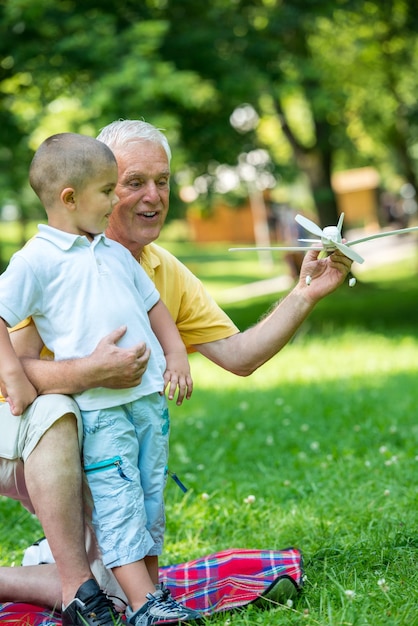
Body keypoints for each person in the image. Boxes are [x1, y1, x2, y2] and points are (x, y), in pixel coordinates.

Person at [0, 120, 352, 619]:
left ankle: (72, 570)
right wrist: (90, 372)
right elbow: (11, 371)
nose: (154, 196)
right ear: (81, 193)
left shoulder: (152, 266)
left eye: (162, 181)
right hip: (22, 436)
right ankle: (74, 575)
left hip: (96, 438)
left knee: (123, 591)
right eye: (131, 182)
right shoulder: (51, 265)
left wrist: (305, 293)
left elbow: (238, 355)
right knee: (59, 407)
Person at [0, 132, 199, 626]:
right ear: (70, 198)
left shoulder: (113, 253)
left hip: (148, 402)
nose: (115, 202)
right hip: (100, 409)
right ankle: (142, 604)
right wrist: (12, 375)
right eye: (108, 191)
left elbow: (154, 308)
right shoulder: (36, 260)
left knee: (150, 496)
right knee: (119, 497)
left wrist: (175, 355)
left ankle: (149, 597)